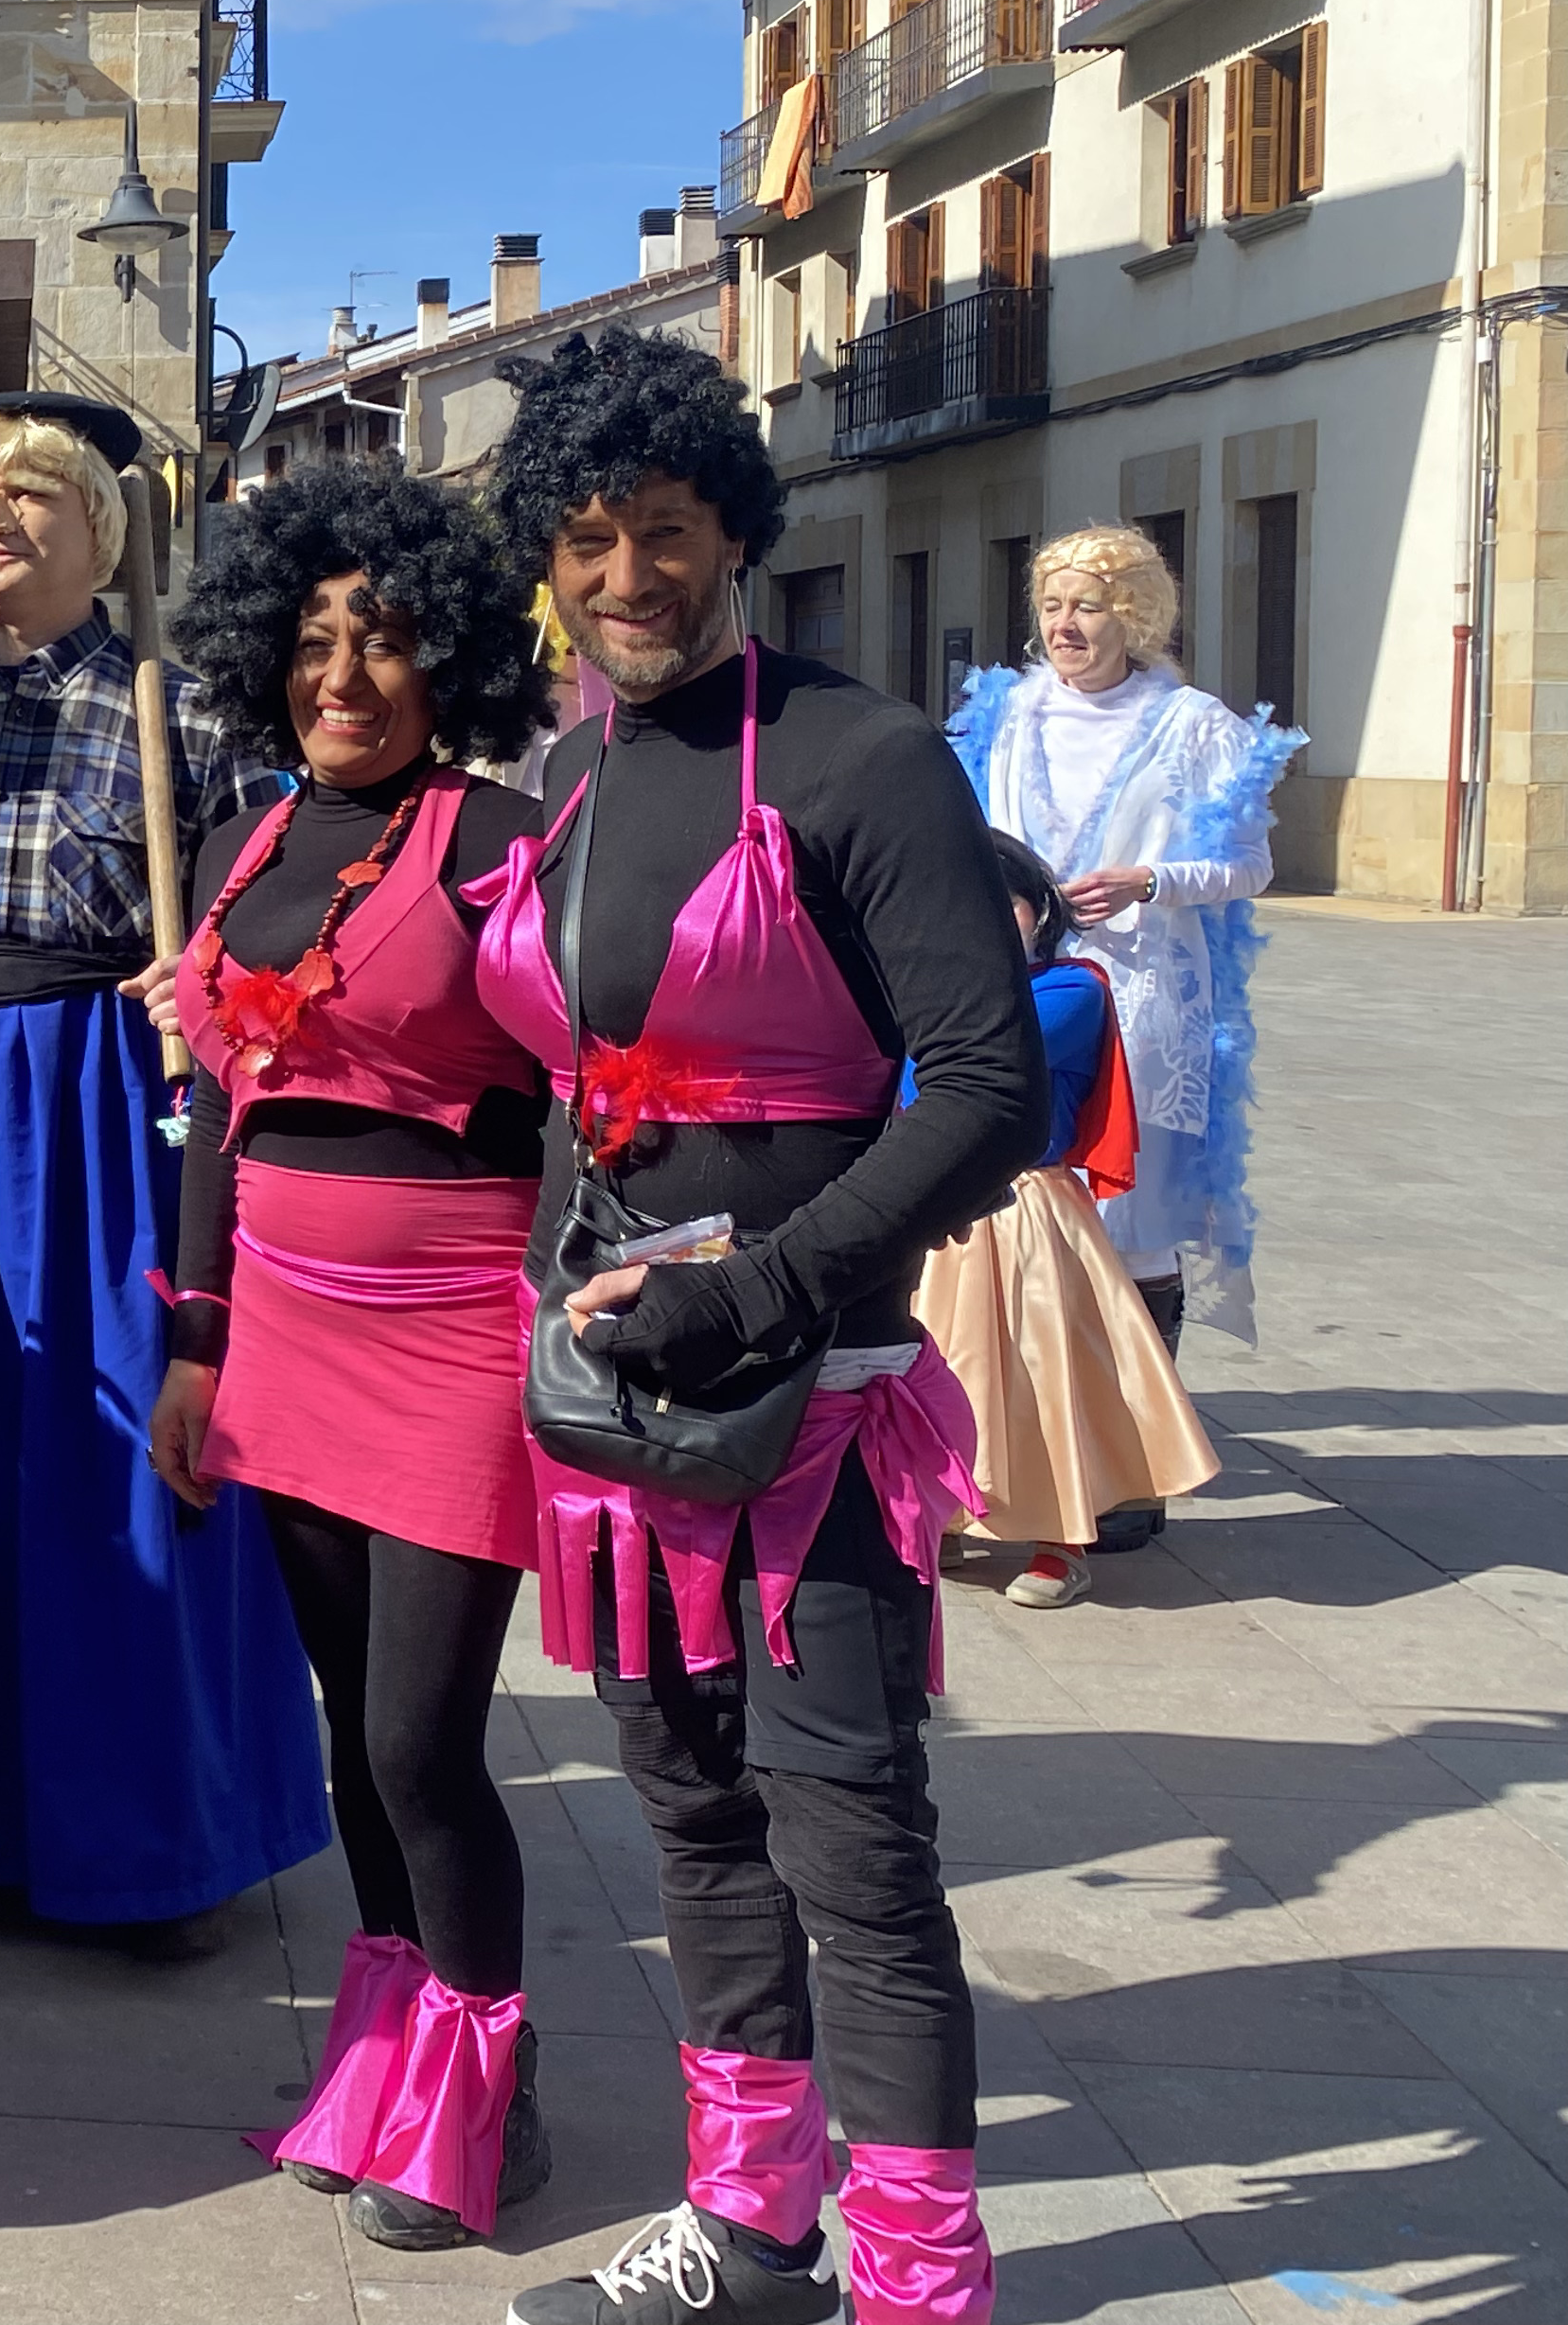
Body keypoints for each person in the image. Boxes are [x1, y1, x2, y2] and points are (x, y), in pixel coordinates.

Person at [473, 330, 1043, 2325]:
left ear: (734, 532)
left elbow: (990, 1088)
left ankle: (921, 2284)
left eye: (663, 531)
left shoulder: (862, 755)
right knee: (696, 1820)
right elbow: (575, 1076)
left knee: (853, 1852)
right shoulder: (568, 774)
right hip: (628, 1418)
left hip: (815, 1408)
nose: (624, 576)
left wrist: (768, 1286)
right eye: (587, 539)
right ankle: (754, 2228)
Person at [0, 391, 322, 1955]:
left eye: (34, 494)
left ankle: (141, 1851)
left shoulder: (193, 722)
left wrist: (210, 984)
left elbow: (287, 930)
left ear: (103, 525)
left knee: (119, 1466)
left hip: (113, 1119)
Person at [150, 457, 556, 2244]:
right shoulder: (245, 840)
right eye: (313, 639)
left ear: (442, 655)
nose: (342, 674)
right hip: (284, 1333)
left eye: (381, 638)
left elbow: (585, 1088)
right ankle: (389, 2061)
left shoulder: (504, 834)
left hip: (456, 1334)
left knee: (418, 1742)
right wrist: (195, 1340)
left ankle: (494, 2096)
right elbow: (212, 1114)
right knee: (347, 1730)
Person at [950, 522, 1298, 1553]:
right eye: (1053, 605)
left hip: (1144, 999)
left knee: (1131, 1221)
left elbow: (1251, 865)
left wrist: (1151, 880)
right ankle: (1026, 1458)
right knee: (1013, 1209)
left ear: (1134, 616)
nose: (1066, 625)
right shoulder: (1004, 715)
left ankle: (1138, 1473)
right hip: (1020, 993)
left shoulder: (1191, 725)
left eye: (1090, 606)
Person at [916, 833, 1219, 1610]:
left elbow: (972, 1059)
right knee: (942, 1365)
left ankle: (1062, 1543)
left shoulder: (1072, 990)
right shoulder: (932, 987)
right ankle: (946, 1510)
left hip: (1027, 1207)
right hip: (937, 1201)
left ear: (1040, 907)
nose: (986, 921)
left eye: (1005, 904)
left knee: (1046, 1373)